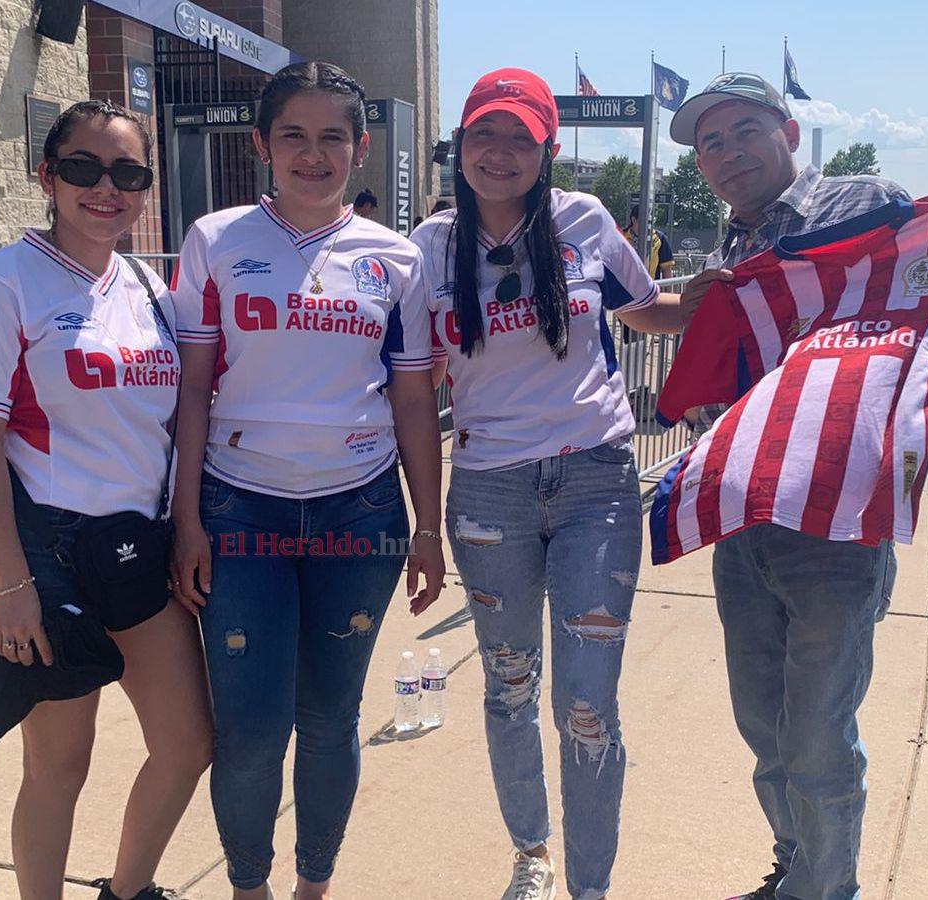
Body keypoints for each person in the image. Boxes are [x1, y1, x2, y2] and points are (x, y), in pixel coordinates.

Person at [661, 72, 928, 900]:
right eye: (709, 145)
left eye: (743, 131)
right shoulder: (729, 250)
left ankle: (828, 890)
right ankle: (798, 864)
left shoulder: (869, 207)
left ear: (789, 131)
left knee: (819, 733)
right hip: (743, 514)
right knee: (763, 722)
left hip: (836, 521)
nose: (726, 154)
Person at [411, 67, 691, 900]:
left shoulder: (585, 222)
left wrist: (748, 295)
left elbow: (649, 311)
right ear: (461, 145)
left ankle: (590, 886)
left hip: (595, 485)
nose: (499, 153)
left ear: (547, 150)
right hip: (489, 492)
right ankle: (532, 853)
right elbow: (410, 380)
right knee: (509, 686)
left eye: (519, 138)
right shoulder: (426, 248)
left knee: (587, 702)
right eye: (483, 135)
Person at [168, 61, 445, 900]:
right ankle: (247, 885)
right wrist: (185, 522)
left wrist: (426, 525)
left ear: (361, 152)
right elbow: (190, 388)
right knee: (250, 729)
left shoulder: (396, 259)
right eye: (294, 134)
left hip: (357, 513)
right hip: (237, 507)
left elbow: (411, 398)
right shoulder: (216, 241)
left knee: (331, 721)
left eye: (333, 138)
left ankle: (313, 886)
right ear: (261, 144)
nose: (313, 154)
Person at [0, 99, 212, 900]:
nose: (108, 189)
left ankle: (125, 892)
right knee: (60, 761)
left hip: (137, 550)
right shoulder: (1, 283)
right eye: (84, 169)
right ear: (47, 176)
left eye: (128, 173)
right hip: (45, 559)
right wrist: (11, 586)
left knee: (187, 742)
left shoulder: (145, 284)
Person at [622, 202, 674, 279]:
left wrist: (669, 291)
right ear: (634, 220)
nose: (649, 224)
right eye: (646, 221)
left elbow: (667, 269)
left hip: (650, 288)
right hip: (624, 288)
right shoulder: (620, 237)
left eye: (652, 221)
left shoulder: (659, 238)